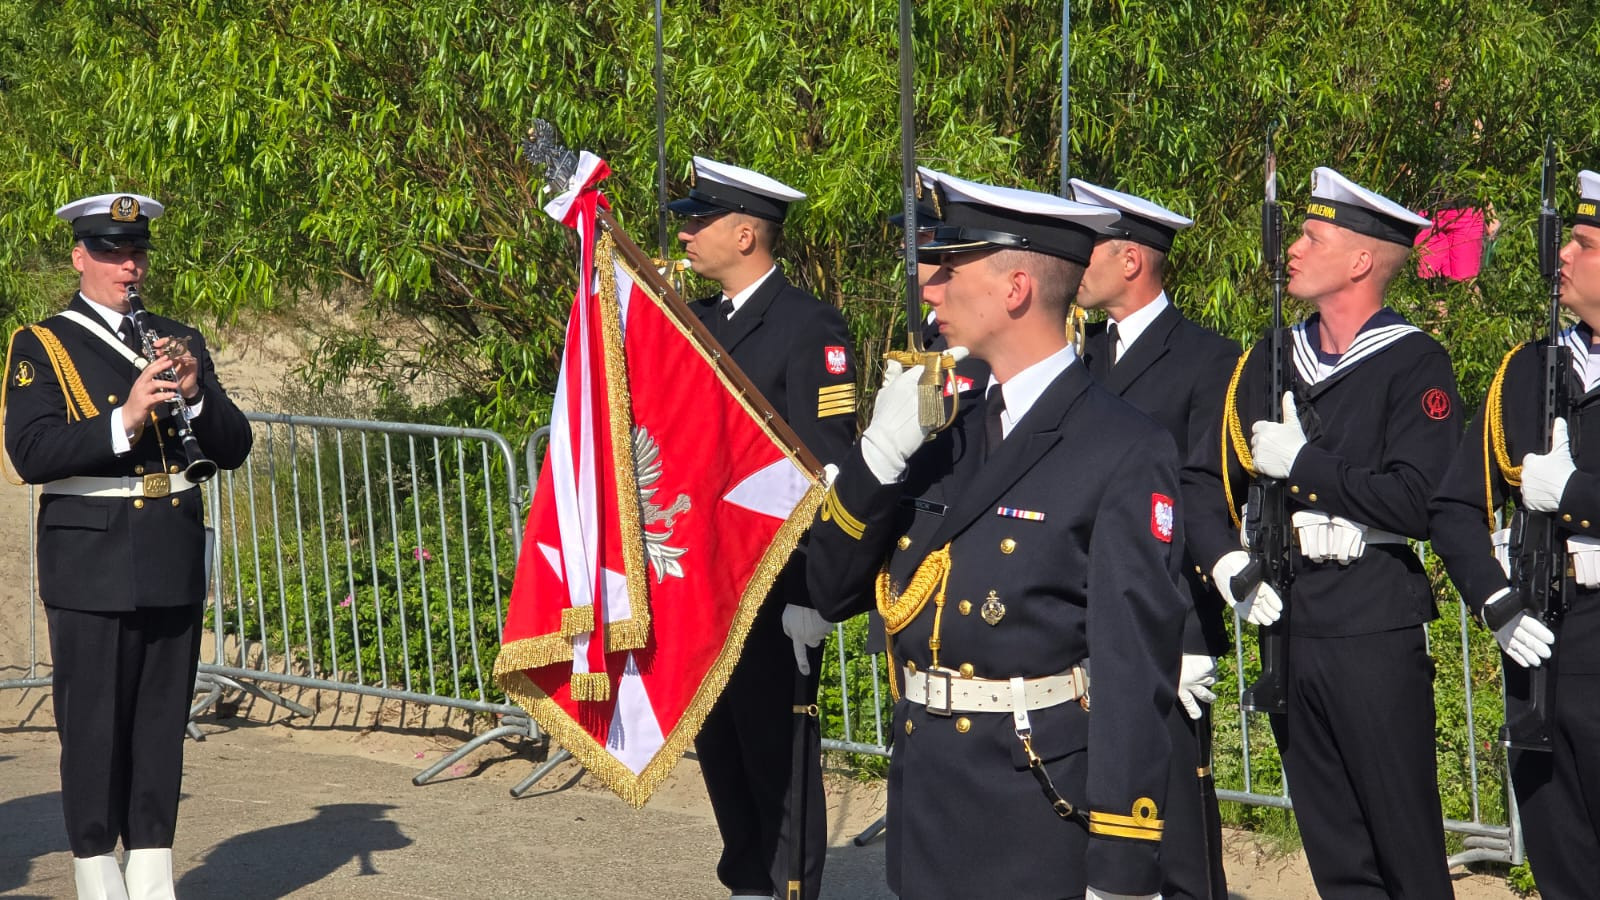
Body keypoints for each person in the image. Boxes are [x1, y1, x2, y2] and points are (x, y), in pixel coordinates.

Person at [807, 170, 1186, 899]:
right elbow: (833, 589)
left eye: (952, 265)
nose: (930, 286)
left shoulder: (1121, 447)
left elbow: (1133, 673)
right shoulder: (941, 431)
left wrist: (1122, 868)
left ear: (1016, 288)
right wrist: (876, 459)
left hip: (1033, 812)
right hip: (927, 807)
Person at [1181, 167, 1460, 898]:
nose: (1293, 250)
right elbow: (1204, 481)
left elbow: (1419, 500)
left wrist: (1305, 466)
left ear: (1362, 260)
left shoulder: (1414, 362)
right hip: (1288, 618)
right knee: (1335, 851)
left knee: (1404, 848)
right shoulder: (1270, 356)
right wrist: (1227, 563)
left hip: (1372, 620)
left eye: (1312, 237)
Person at [2, 193, 253, 899]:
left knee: (160, 724)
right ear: (79, 257)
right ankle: (96, 874)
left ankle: (150, 874)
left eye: (136, 252)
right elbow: (31, 452)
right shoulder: (42, 343)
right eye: (111, 252)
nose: (128, 266)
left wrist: (196, 395)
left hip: (170, 549)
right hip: (91, 558)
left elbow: (234, 446)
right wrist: (129, 416)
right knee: (93, 726)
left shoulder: (176, 337)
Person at [668, 156, 856, 900]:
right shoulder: (698, 323)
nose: (685, 234)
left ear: (745, 234)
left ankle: (787, 885)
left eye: (699, 220)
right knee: (719, 740)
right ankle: (746, 877)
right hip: (706, 576)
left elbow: (827, 465)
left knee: (777, 746)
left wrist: (813, 587)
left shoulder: (809, 326)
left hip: (775, 580)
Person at [1428, 169, 1600, 899]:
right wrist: (1495, 600)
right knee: (1562, 860)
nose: (1562, 255)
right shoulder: (1527, 371)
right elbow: (1452, 507)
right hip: (1542, 647)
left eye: (1583, 243)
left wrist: (1576, 496)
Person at [1073, 177, 1237, 900]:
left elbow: (1203, 493)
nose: (1077, 264)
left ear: (1132, 260)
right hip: (1079, 617)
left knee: (1175, 824)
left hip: (1162, 622)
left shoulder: (1206, 357)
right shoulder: (1079, 355)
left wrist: (1194, 634)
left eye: (1091, 249)